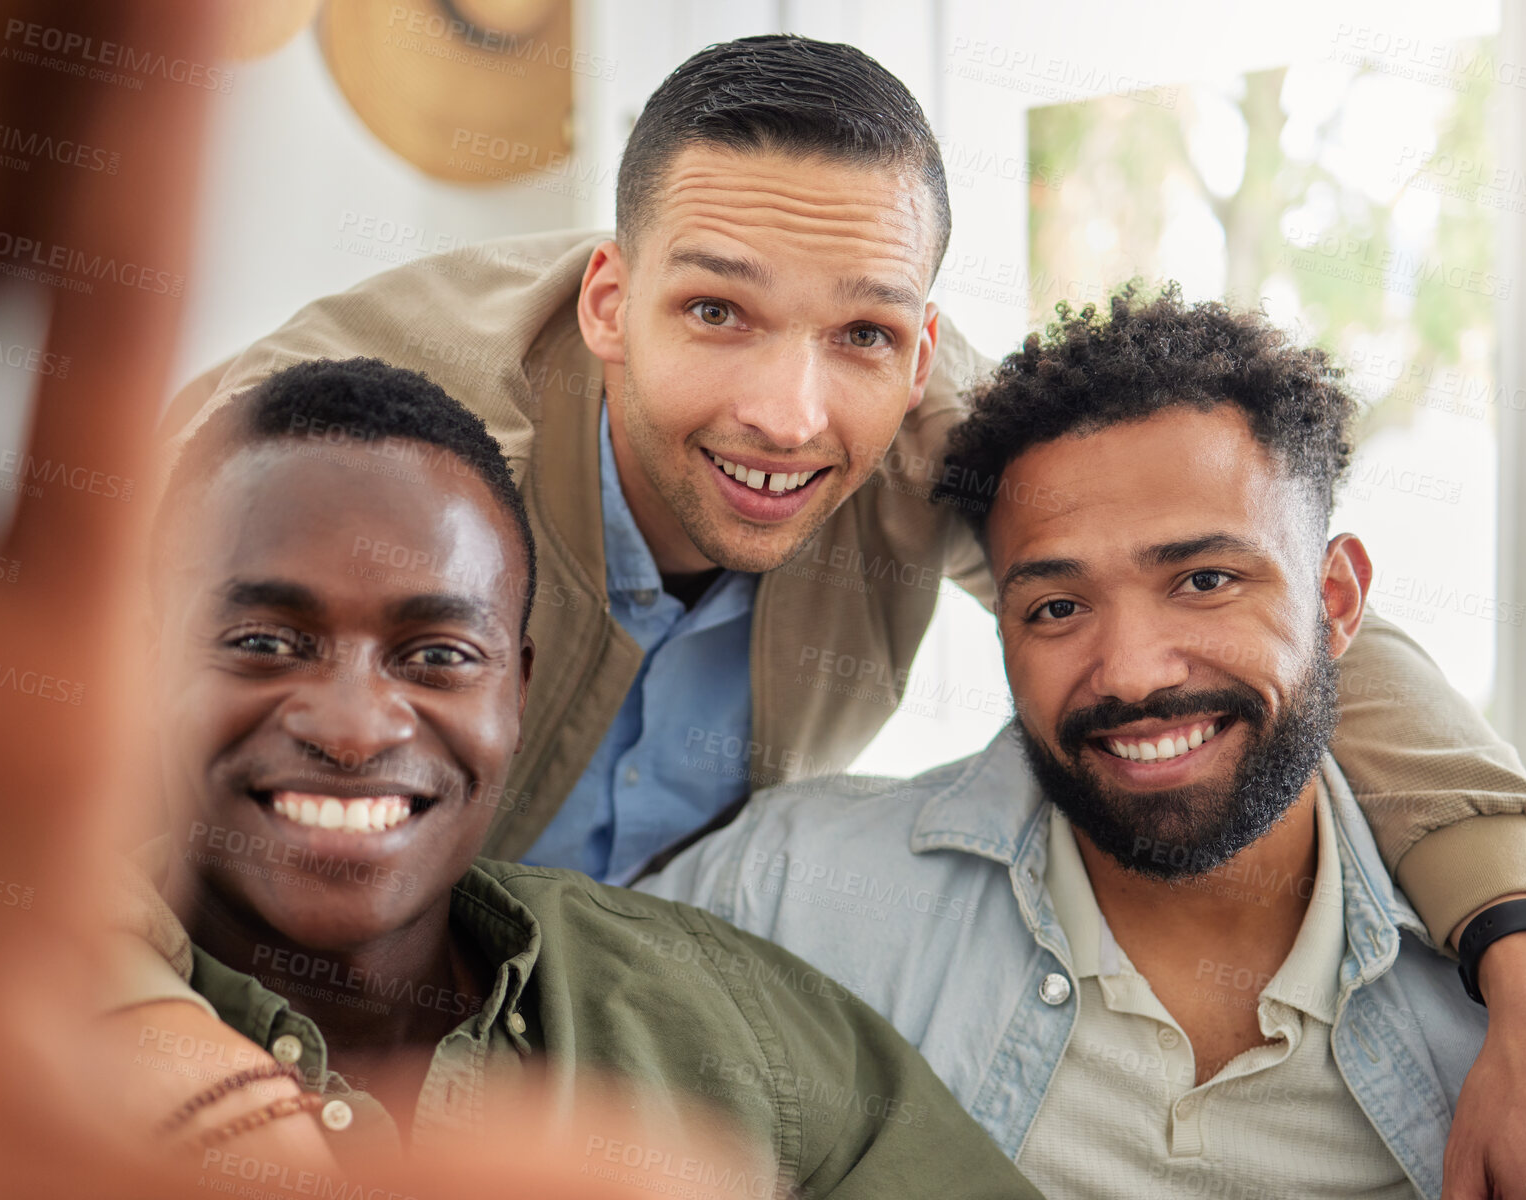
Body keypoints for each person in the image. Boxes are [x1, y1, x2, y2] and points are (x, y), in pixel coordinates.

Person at [159, 35, 1526, 961]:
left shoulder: (938, 422)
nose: (788, 412)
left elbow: (1267, 612)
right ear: (608, 298)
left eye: (862, 335)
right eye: (716, 311)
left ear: (915, 335)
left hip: (612, 997)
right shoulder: (351, 440)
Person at [639, 289, 1526, 1198]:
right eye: (1056, 606)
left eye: (1205, 580)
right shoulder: (786, 895)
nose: (1130, 672)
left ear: (1334, 600)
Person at [135, 355, 1041, 1196]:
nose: (352, 728)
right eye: (262, 644)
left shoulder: (715, 1012)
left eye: (438, 655)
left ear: (518, 691)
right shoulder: (39, 1015)